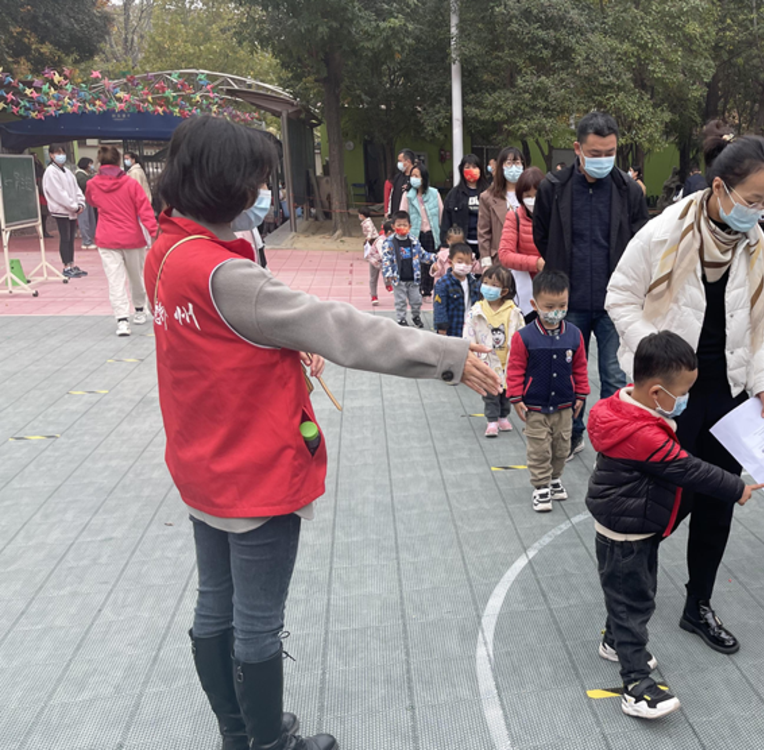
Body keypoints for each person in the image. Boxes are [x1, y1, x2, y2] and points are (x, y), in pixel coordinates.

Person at [143, 115, 499, 750]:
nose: (264, 193)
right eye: (257, 181)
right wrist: (448, 355)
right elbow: (341, 327)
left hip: (200, 462)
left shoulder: (165, 251)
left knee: (215, 605)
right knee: (256, 621)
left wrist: (273, 349)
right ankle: (267, 742)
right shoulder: (227, 275)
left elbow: (221, 343)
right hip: (254, 467)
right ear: (227, 184)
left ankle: (238, 732)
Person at [604, 120, 764, 654]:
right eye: (754, 198)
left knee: (718, 503)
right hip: (669, 395)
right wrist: (654, 357)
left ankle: (697, 605)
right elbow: (620, 298)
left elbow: (761, 327)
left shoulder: (753, 243)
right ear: (721, 188)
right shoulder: (663, 233)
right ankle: (626, 617)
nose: (760, 210)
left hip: (726, 393)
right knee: (658, 509)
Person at [586, 331, 763, 719]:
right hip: (627, 531)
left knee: (628, 590)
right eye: (683, 393)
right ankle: (635, 683)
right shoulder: (644, 434)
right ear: (655, 393)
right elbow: (687, 468)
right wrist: (736, 488)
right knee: (635, 601)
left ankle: (614, 641)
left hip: (634, 525)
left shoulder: (620, 408)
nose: (686, 401)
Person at [534, 112, 649, 460]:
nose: (603, 159)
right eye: (595, 153)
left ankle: (613, 441)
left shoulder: (628, 190)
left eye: (609, 152)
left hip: (616, 303)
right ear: (577, 149)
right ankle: (572, 434)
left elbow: (641, 240)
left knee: (615, 375)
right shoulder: (553, 189)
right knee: (567, 374)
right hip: (568, 303)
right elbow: (542, 235)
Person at [506, 269, 588, 512]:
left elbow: (580, 366)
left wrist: (581, 393)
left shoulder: (573, 334)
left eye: (562, 305)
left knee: (562, 446)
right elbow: (515, 368)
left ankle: (555, 478)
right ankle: (541, 485)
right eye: (550, 306)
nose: (556, 311)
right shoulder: (525, 337)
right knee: (539, 447)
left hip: (565, 403)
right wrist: (516, 396)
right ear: (535, 304)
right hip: (535, 405)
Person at [85, 145, 158, 336]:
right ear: (119, 161)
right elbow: (144, 209)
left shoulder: (92, 184)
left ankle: (122, 320)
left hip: (106, 237)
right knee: (137, 276)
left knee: (115, 280)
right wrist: (154, 232)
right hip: (132, 237)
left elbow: (91, 201)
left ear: (100, 162)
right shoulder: (131, 184)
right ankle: (140, 310)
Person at [471, 265, 525, 437]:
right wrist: (471, 352)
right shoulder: (477, 310)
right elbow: (469, 333)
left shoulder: (513, 312)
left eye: (493, 285)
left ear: (504, 291)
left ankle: (503, 416)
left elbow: (521, 333)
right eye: (485, 283)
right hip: (487, 361)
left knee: (506, 392)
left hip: (508, 362)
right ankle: (492, 420)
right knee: (490, 393)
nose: (487, 287)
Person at [497, 165, 545, 314]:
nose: (532, 200)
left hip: (550, 288)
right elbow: (505, 255)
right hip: (524, 289)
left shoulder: (555, 217)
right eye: (527, 196)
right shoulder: (514, 217)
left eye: (536, 195)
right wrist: (536, 263)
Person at [41, 145, 88, 278]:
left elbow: (76, 189)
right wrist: (73, 206)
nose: (61, 155)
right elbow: (58, 193)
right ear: (51, 155)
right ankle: (66, 266)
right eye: (57, 153)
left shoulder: (67, 171)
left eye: (62, 152)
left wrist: (80, 203)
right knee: (65, 238)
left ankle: (72, 264)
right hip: (61, 210)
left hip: (72, 210)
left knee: (71, 238)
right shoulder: (51, 172)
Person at [399, 162, 442, 299]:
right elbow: (402, 214)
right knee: (415, 263)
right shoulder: (407, 196)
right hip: (414, 234)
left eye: (417, 175)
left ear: (423, 177)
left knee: (429, 262)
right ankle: (415, 290)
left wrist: (442, 232)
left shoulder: (434, 193)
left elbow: (441, 213)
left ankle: (427, 291)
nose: (414, 178)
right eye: (412, 175)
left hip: (431, 233)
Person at [478, 146, 525, 268]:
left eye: (517, 163)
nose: (513, 167)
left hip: (526, 259)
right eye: (509, 163)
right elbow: (484, 233)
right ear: (501, 166)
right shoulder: (487, 197)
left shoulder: (531, 194)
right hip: (499, 260)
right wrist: (486, 263)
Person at [383, 211, 430, 328]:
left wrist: (435, 258)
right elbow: (386, 259)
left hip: (414, 277)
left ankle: (416, 316)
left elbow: (422, 255)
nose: (402, 227)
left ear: (410, 226)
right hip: (398, 278)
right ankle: (401, 319)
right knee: (400, 301)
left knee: (416, 299)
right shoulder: (389, 242)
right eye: (399, 225)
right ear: (393, 226)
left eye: (404, 225)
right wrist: (388, 273)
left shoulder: (413, 241)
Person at [440, 154, 485, 258]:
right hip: (462, 244)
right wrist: (444, 245)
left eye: (474, 167)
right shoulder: (454, 194)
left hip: (485, 245)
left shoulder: (489, 192)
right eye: (467, 167)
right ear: (461, 170)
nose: (471, 170)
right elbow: (446, 222)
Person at [433, 243, 481, 338]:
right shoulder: (443, 283)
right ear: (450, 262)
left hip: (470, 327)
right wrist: (442, 328)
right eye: (460, 262)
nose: (464, 265)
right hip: (452, 328)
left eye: (467, 262)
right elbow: (440, 307)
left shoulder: (473, 282)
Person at [384, 148, 416, 218]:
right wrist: (389, 213)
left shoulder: (417, 178)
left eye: (400, 161)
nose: (398, 164)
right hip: (397, 217)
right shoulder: (397, 177)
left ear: (408, 161)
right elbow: (392, 196)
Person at [359, 208, 382, 306]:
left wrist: (368, 238)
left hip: (374, 245)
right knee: (373, 276)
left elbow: (370, 230)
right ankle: (374, 296)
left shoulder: (367, 223)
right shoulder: (366, 222)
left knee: (384, 271)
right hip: (373, 257)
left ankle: (388, 286)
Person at [75, 157, 98, 250]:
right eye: (90, 164)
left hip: (87, 199)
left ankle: (90, 239)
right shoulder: (79, 174)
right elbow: (85, 184)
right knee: (84, 221)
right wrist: (93, 177)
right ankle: (86, 241)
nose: (91, 166)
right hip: (81, 200)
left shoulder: (86, 174)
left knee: (90, 220)